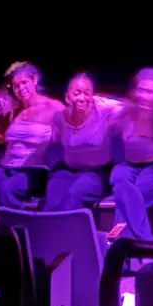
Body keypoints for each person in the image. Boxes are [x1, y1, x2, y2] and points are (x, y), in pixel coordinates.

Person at [109, 68, 153, 238]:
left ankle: (118, 243)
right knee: (122, 184)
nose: (147, 97)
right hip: (127, 165)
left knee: (134, 194)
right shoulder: (124, 112)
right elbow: (100, 102)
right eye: (143, 90)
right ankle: (145, 240)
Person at [45, 73, 122, 211]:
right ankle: (48, 231)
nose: (82, 98)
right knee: (53, 199)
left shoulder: (105, 109)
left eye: (87, 93)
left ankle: (70, 232)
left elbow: (133, 108)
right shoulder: (59, 118)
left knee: (74, 197)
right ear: (67, 97)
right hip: (68, 169)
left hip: (96, 170)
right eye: (77, 93)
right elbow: (52, 141)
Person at [0, 62, 65, 208]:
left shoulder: (53, 107)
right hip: (5, 167)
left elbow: (72, 128)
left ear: (34, 80)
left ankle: (14, 228)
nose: (21, 88)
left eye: (24, 82)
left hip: (35, 170)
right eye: (15, 86)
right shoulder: (15, 110)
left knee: (7, 189)